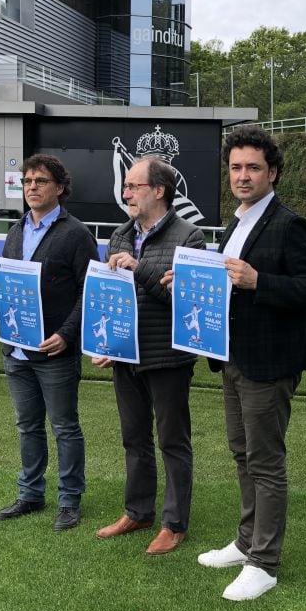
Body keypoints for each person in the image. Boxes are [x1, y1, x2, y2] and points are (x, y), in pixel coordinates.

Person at [175, 125, 306, 601]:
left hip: (271, 362)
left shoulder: (288, 224)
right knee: (242, 455)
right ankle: (246, 543)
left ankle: (264, 562)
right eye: (236, 167)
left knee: (265, 462)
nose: (243, 176)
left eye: (253, 168)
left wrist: (260, 280)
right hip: (233, 357)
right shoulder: (235, 223)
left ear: (273, 173)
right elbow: (227, 285)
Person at [0, 154, 98, 530]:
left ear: (59, 188)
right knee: (27, 426)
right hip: (16, 348)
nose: (32, 187)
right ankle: (30, 494)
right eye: (28, 180)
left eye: (41, 181)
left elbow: (89, 291)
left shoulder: (76, 233)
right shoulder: (16, 230)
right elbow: (13, 284)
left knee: (64, 427)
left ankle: (69, 500)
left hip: (54, 350)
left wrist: (67, 335)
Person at [93, 156, 205, 555]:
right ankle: (138, 512)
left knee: (172, 441)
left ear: (159, 191)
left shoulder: (190, 238)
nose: (126, 193)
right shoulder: (119, 235)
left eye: (133, 186)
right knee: (133, 438)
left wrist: (140, 269)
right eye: (125, 187)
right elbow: (109, 298)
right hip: (126, 355)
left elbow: (185, 303)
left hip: (168, 358)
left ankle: (174, 524)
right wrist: (104, 343)